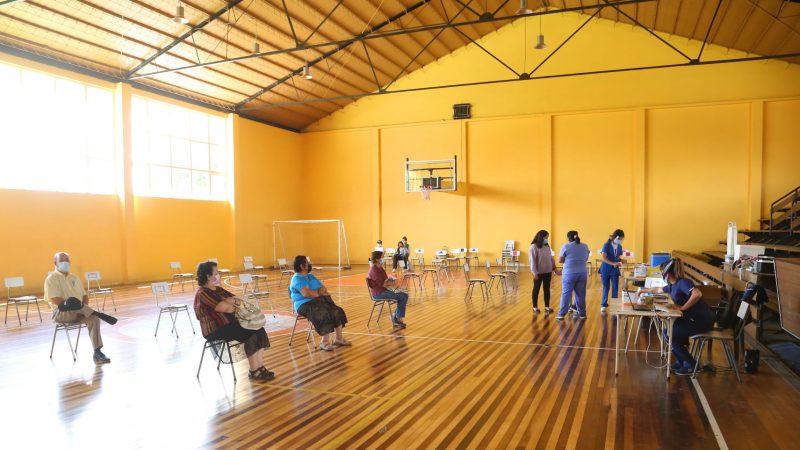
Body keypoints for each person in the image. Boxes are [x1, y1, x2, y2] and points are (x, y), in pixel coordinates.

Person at [194, 260, 273, 381]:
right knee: (250, 333)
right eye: (216, 273)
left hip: (230, 325)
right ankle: (254, 370)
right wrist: (231, 303)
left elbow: (237, 300)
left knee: (260, 330)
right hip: (215, 330)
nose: (218, 275)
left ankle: (259, 366)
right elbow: (226, 308)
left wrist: (232, 302)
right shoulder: (203, 293)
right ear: (208, 276)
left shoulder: (218, 290)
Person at [638, 258, 714, 375]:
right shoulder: (673, 285)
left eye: (662, 272)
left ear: (667, 273)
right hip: (691, 319)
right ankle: (682, 361)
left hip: (701, 321)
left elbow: (697, 294)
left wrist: (683, 308)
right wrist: (642, 290)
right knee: (666, 332)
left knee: (670, 334)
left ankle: (692, 365)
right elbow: (658, 289)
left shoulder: (683, 283)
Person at [44, 252, 117, 363]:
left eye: (67, 260)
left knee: (94, 319)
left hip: (81, 312)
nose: (66, 262)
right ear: (55, 263)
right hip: (61, 313)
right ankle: (94, 312)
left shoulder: (74, 277)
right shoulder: (51, 279)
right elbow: (55, 300)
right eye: (62, 260)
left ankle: (97, 352)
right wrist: (77, 308)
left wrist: (83, 308)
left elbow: (84, 295)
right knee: (72, 302)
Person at [290, 255, 351, 351]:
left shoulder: (310, 276)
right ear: (302, 266)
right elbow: (306, 294)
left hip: (317, 301)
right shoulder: (297, 279)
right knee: (322, 312)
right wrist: (319, 293)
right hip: (304, 304)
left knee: (337, 311)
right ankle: (324, 342)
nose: (309, 264)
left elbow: (323, 287)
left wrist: (317, 293)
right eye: (307, 263)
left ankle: (339, 339)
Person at [368, 251, 409, 328]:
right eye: (382, 257)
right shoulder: (374, 270)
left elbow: (385, 280)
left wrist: (391, 279)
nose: (383, 258)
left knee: (405, 295)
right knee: (402, 297)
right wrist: (391, 283)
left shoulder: (380, 268)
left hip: (384, 290)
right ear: (377, 259)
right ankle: (397, 319)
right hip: (379, 293)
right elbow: (383, 284)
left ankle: (395, 316)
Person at [556, 231, 590, 320]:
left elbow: (560, 260)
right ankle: (582, 314)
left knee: (566, 293)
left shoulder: (565, 246)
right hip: (582, 273)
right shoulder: (585, 246)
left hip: (569, 274)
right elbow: (586, 258)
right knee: (580, 294)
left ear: (568, 238)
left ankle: (561, 314)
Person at [529, 230, 560, 314]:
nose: (547, 239)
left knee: (547, 289)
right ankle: (535, 307)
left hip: (548, 271)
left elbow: (551, 258)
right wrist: (534, 272)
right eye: (546, 237)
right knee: (536, 289)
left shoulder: (547, 246)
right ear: (541, 237)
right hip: (538, 272)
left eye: (547, 237)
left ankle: (547, 307)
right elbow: (532, 261)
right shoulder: (533, 247)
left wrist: (555, 269)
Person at [599, 229, 626, 313]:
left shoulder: (619, 247)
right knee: (606, 287)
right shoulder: (606, 245)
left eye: (622, 239)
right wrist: (613, 263)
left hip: (614, 271)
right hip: (605, 269)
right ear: (616, 237)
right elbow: (603, 258)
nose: (621, 240)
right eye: (620, 238)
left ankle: (614, 306)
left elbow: (617, 258)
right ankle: (603, 305)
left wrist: (622, 261)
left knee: (615, 288)